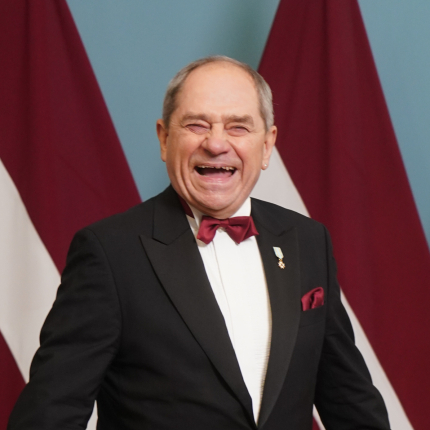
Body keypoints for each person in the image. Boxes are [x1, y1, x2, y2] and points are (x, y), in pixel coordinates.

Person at [8, 56, 390, 429]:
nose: (216, 143)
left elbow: (350, 401)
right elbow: (49, 414)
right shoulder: (109, 253)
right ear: (164, 139)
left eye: (238, 127)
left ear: (267, 145)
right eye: (196, 125)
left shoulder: (307, 241)